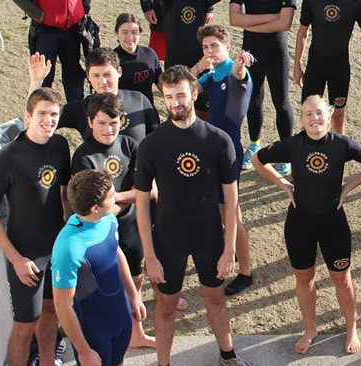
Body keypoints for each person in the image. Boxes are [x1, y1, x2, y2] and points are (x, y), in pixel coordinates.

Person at [134, 66, 247, 366]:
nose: (175, 103)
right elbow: (142, 203)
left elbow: (231, 198)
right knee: (167, 304)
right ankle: (163, 363)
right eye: (169, 97)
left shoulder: (218, 140)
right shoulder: (151, 145)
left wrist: (230, 247)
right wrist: (150, 255)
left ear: (195, 93)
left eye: (181, 95)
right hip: (168, 237)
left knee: (216, 298)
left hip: (208, 234)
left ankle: (228, 356)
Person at [252, 95, 361, 355]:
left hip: (333, 223)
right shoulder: (293, 144)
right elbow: (257, 160)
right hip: (300, 223)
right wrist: (284, 185)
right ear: (300, 119)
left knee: (342, 279)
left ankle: (351, 327)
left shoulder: (342, 144)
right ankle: (310, 329)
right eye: (308, 114)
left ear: (329, 116)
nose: (314, 118)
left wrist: (348, 187)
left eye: (319, 113)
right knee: (304, 279)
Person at [0, 88, 71, 366]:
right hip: (26, 256)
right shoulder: (7, 158)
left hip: (55, 248)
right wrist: (16, 259)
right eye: (42, 113)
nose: (48, 120)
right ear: (27, 116)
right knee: (25, 325)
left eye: (54, 114)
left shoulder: (60, 145)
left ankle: (47, 362)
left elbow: (64, 196)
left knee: (51, 311)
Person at [71, 93, 156, 350]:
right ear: (90, 122)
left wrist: (114, 198)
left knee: (135, 279)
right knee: (107, 287)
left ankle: (136, 334)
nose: (109, 129)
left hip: (131, 226)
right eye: (102, 123)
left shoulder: (130, 145)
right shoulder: (83, 156)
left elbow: (151, 191)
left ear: (121, 121)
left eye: (114, 123)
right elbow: (93, 207)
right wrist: (130, 196)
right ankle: (109, 338)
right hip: (100, 233)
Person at [51, 170, 147, 366]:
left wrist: (134, 296)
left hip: (120, 315)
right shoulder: (69, 247)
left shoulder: (108, 219)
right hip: (94, 332)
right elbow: (62, 306)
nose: (117, 197)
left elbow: (115, 252)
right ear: (95, 208)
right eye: (111, 196)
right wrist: (84, 351)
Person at [190, 25, 255, 296]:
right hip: (211, 152)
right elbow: (184, 89)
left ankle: (246, 273)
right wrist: (198, 66)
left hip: (229, 154)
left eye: (214, 46)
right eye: (205, 47)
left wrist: (239, 63)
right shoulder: (212, 75)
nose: (210, 51)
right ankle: (233, 251)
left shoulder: (233, 70)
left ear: (227, 46)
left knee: (232, 215)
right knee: (221, 210)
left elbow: (239, 72)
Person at [229, 0, 296, 176]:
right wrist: (270, 17)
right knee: (253, 100)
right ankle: (254, 145)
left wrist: (250, 22)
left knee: (281, 102)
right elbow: (234, 19)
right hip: (252, 52)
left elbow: (285, 23)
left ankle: (286, 152)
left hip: (276, 51)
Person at [292, 0, 361, 134]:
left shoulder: (356, 3)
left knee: (337, 116)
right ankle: (307, 149)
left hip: (340, 67)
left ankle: (339, 150)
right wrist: (297, 65)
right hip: (315, 66)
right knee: (308, 114)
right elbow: (302, 32)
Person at [28, 47, 160, 144]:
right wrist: (36, 81)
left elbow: (156, 140)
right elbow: (31, 124)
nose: (103, 81)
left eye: (107, 74)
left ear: (119, 72)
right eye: (96, 75)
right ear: (88, 77)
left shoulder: (139, 100)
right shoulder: (81, 108)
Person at [113, 13, 162, 108]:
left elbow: (162, 84)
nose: (130, 37)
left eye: (134, 32)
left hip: (148, 111)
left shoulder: (150, 54)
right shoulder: (112, 60)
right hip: (123, 113)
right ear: (117, 33)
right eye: (124, 32)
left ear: (140, 32)